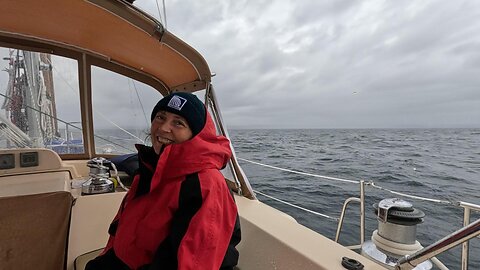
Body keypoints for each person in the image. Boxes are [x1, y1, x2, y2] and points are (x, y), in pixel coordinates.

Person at [86, 92, 241, 270]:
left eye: (178, 123)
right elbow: (123, 229)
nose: (164, 128)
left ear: (195, 135)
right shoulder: (150, 168)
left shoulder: (204, 184)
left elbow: (193, 263)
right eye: (160, 117)